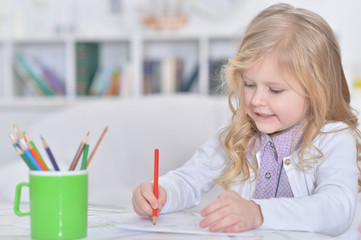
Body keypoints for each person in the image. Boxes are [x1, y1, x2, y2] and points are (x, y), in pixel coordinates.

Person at [132, 3, 361, 237]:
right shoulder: (239, 134)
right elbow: (190, 180)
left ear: (317, 90)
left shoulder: (333, 139)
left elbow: (336, 209)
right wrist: (162, 192)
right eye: (249, 84)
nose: (256, 100)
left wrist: (258, 212)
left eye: (275, 90)